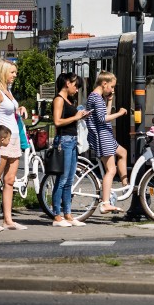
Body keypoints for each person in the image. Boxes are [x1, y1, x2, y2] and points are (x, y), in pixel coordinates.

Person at [0, 59, 28, 231]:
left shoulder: (8, 91)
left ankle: (8, 219)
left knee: (10, 180)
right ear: (3, 72)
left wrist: (20, 110)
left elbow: (10, 111)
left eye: (15, 73)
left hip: (13, 140)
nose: (15, 75)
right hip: (2, 141)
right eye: (12, 72)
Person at [85, 71, 128, 214]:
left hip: (106, 135)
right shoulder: (96, 98)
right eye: (112, 86)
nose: (113, 90)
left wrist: (109, 101)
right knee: (111, 170)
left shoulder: (96, 97)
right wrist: (120, 113)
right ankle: (105, 203)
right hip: (102, 136)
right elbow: (103, 119)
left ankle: (125, 185)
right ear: (104, 84)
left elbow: (104, 115)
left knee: (123, 152)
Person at [51, 72, 90, 227]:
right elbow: (57, 121)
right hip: (64, 141)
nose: (76, 89)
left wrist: (82, 116)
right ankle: (57, 215)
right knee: (62, 179)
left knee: (69, 179)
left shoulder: (69, 100)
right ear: (67, 83)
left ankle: (67, 214)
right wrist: (76, 117)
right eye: (75, 85)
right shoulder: (59, 99)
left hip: (72, 140)